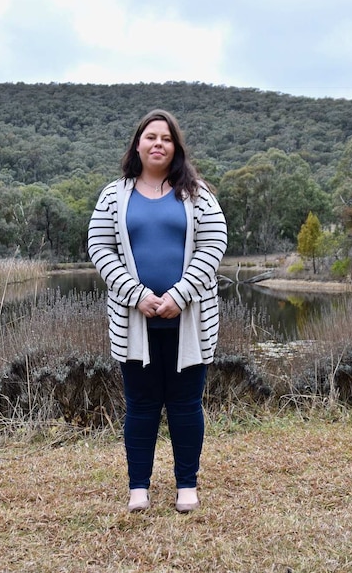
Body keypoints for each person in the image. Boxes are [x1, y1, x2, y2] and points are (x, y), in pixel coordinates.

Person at [87, 109, 228, 513]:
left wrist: (180, 295)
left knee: (186, 405)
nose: (158, 144)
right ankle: (138, 489)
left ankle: (187, 486)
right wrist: (137, 295)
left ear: (175, 147)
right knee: (142, 405)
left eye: (166, 138)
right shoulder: (114, 195)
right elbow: (99, 247)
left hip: (190, 321)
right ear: (138, 144)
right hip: (134, 322)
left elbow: (214, 243)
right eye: (151, 137)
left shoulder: (197, 193)